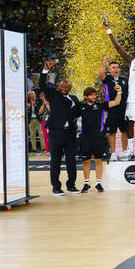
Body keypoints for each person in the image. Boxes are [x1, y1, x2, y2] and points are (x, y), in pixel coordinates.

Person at [104, 20, 135, 161]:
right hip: (132, 100)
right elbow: (119, 48)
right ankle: (130, 150)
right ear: (134, 53)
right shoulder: (131, 61)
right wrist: (109, 31)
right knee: (130, 125)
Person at [39, 60, 80, 196]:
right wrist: (45, 70)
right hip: (56, 132)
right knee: (55, 160)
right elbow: (42, 85)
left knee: (71, 161)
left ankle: (71, 185)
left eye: (66, 87)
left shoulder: (74, 98)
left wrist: (73, 119)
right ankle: (56, 187)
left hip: (70, 133)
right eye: (61, 86)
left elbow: (78, 112)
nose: (63, 88)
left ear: (70, 88)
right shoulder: (54, 95)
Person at [78, 85, 123, 192]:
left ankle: (98, 183)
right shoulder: (80, 107)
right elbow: (73, 118)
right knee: (86, 161)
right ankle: (86, 184)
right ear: (85, 96)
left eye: (94, 94)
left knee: (98, 160)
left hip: (98, 137)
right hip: (85, 138)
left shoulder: (100, 105)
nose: (94, 97)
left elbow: (116, 102)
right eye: (91, 95)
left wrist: (119, 92)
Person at [98, 56, 129, 161]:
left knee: (125, 131)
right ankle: (113, 153)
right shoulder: (107, 79)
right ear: (109, 70)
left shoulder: (124, 80)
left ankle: (124, 152)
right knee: (112, 132)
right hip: (112, 109)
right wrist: (104, 62)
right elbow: (100, 73)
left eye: (117, 67)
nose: (116, 69)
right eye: (113, 67)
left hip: (124, 109)